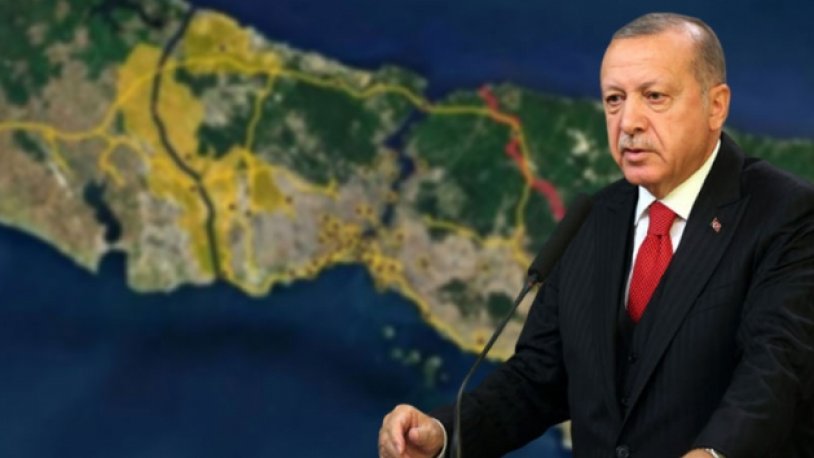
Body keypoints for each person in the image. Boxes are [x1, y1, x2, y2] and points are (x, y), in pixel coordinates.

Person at [378, 12, 814, 458]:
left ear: (716, 105)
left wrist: (712, 454)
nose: (629, 122)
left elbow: (777, 371)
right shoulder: (591, 220)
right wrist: (443, 433)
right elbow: (538, 377)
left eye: (654, 96)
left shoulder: (787, 213)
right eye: (614, 100)